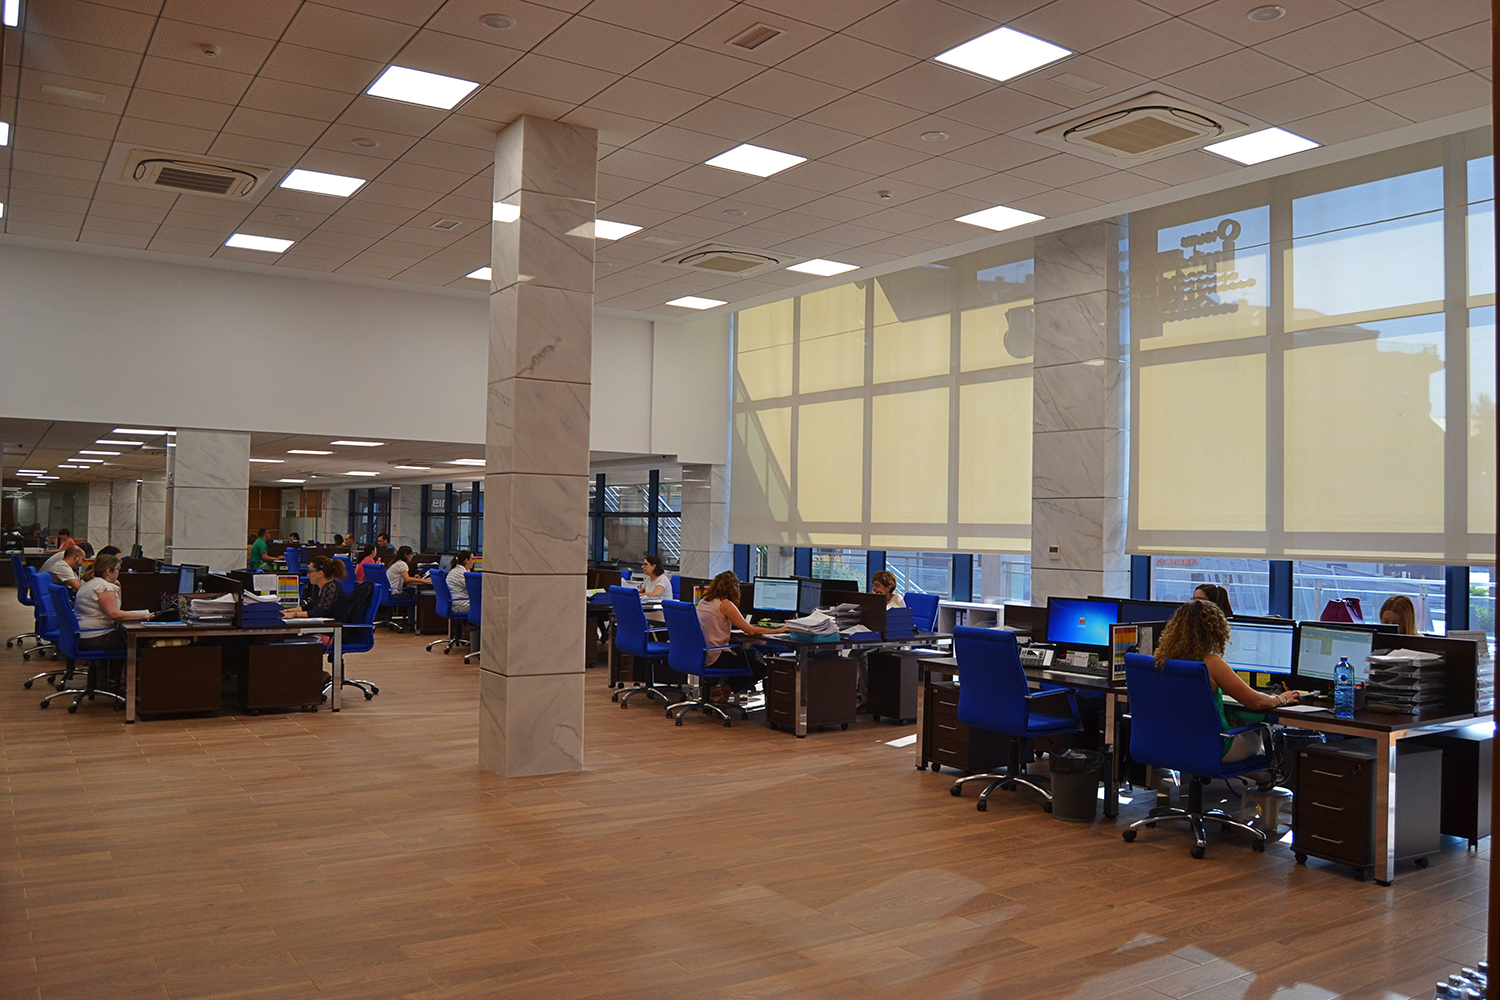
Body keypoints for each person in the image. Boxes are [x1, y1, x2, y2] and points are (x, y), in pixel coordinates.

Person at [1155, 599, 1297, 765]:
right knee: (1256, 738)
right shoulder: (1211, 663)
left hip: (1174, 742)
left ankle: (1258, 775)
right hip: (1213, 747)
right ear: (1215, 631)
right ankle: (1265, 774)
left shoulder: (1163, 661)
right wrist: (1281, 698)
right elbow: (1256, 702)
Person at [695, 571, 787, 703]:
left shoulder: (704, 601)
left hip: (702, 654)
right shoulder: (725, 605)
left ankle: (722, 696)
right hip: (716, 655)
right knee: (761, 669)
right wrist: (778, 630)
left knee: (743, 657)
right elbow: (750, 631)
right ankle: (723, 690)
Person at [73, 553, 152, 650]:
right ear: (108, 571)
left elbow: (116, 610)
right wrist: (144, 616)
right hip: (97, 637)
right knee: (144, 640)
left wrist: (118, 589)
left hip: (84, 636)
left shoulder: (88, 583)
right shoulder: (103, 586)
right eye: (118, 568)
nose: (119, 572)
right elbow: (114, 615)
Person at [285, 556, 350, 646]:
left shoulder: (331, 587)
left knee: (292, 644)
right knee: (287, 640)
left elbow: (319, 612)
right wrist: (286, 611)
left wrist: (294, 615)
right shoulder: (320, 587)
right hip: (325, 631)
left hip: (334, 634)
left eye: (310, 572)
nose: (308, 575)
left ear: (320, 573)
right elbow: (309, 606)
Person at [447, 551, 475, 615]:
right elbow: (473, 588)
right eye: (472, 559)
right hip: (459, 604)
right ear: (466, 560)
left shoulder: (457, 570)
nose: (474, 562)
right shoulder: (460, 573)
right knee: (486, 607)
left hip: (456, 602)